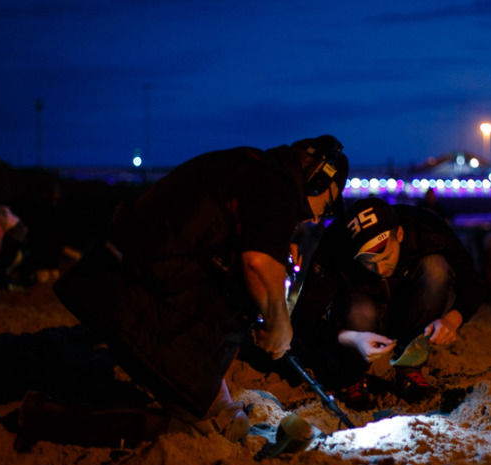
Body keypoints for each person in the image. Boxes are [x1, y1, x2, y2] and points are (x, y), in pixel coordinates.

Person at [50, 135, 348, 442]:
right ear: (316, 178)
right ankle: (46, 419)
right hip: (139, 295)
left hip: (127, 279)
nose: (316, 218)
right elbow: (258, 264)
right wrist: (280, 325)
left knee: (211, 410)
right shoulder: (279, 185)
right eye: (326, 205)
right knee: (197, 430)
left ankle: (213, 406)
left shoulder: (254, 168)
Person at [290, 197, 484, 410]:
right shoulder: (335, 246)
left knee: (436, 268)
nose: (380, 268)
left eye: (385, 256)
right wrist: (352, 338)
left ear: (399, 235)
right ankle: (352, 375)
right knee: (359, 311)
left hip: (410, 308)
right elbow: (304, 319)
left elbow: (472, 280)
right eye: (369, 263)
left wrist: (452, 320)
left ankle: (409, 366)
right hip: (361, 313)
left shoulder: (425, 227)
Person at [0, 204, 28, 289]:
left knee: (4, 260)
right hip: (16, 233)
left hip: (15, 233)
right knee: (6, 259)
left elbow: (3, 224)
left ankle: (4, 284)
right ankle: (4, 282)